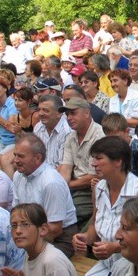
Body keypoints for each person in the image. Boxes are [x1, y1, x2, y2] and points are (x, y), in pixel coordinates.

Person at [72, 136, 138, 276]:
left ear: (118, 162)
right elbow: (95, 223)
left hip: (133, 268)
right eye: (94, 158)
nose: (94, 164)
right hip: (107, 265)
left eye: (99, 158)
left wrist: (115, 247)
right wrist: (85, 237)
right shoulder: (99, 188)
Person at [11, 134, 78, 258]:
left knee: (35, 262)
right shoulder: (17, 176)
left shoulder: (51, 182)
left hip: (60, 238)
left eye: (21, 156)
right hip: (29, 233)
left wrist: (28, 243)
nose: (15, 160)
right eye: (15, 155)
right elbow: (16, 213)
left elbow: (55, 228)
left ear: (38, 158)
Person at [57, 98, 105, 230]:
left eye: (73, 113)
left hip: (91, 189)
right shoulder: (71, 137)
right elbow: (66, 167)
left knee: (65, 214)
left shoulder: (99, 136)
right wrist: (62, 187)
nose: (69, 118)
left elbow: (93, 177)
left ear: (87, 113)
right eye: (67, 114)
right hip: (74, 186)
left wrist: (66, 185)